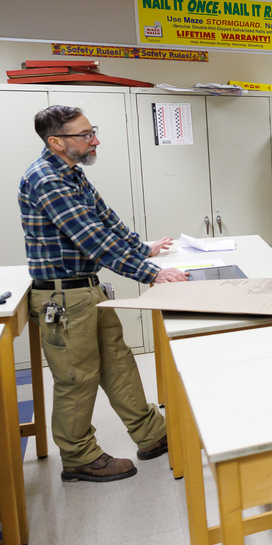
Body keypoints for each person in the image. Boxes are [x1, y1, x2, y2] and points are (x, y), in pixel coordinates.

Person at [19, 105, 188, 483]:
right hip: (63, 299)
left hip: (87, 290)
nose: (95, 140)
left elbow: (106, 220)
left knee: (118, 363)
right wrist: (150, 274)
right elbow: (92, 240)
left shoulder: (71, 174)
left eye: (92, 131)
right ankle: (79, 457)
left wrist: (142, 248)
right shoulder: (46, 179)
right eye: (85, 135)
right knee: (77, 378)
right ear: (56, 142)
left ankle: (152, 435)